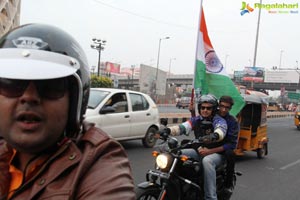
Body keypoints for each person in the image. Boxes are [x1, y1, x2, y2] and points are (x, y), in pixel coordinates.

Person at [0, 24, 135, 200]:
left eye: (49, 85)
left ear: (75, 103)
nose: (29, 96)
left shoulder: (99, 163)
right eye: (12, 83)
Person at [160, 94, 227, 200]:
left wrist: (215, 135)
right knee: (174, 154)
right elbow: (183, 127)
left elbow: (221, 130)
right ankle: (176, 187)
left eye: (208, 108)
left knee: (207, 161)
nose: (205, 110)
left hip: (216, 153)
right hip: (199, 151)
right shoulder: (197, 120)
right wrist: (168, 130)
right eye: (202, 107)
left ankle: (210, 197)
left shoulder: (218, 120)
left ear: (214, 109)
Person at [218, 96, 239, 195]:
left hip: (224, 147)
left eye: (227, 107)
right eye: (221, 106)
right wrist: (192, 112)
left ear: (230, 109)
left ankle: (228, 184)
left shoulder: (232, 121)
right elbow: (197, 123)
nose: (223, 109)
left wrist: (212, 150)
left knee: (230, 154)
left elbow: (232, 143)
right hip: (209, 144)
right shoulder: (212, 116)